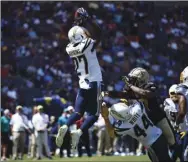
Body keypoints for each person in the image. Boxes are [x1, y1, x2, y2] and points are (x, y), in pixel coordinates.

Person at [56, 7, 103, 153]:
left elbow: (76, 35)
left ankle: (65, 126)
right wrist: (88, 22)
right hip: (94, 80)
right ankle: (79, 132)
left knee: (77, 113)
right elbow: (99, 35)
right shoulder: (87, 43)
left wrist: (78, 23)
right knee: (94, 115)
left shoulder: (69, 48)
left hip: (82, 82)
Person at [102, 67, 176, 148]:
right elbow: (123, 95)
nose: (131, 80)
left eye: (133, 79)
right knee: (154, 146)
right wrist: (107, 93)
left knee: (172, 142)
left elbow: (144, 93)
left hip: (158, 119)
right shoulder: (132, 88)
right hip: (148, 121)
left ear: (140, 79)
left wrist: (130, 86)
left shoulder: (149, 85)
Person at [101, 101, 172, 162]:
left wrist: (106, 117)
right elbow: (133, 103)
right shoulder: (138, 108)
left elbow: (112, 134)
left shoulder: (124, 127)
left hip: (152, 145)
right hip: (159, 136)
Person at [164, 84, 187, 161]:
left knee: (182, 154)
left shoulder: (167, 102)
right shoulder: (168, 102)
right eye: (172, 93)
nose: (174, 95)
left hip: (182, 130)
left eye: (176, 93)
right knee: (176, 153)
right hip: (175, 130)